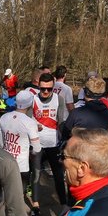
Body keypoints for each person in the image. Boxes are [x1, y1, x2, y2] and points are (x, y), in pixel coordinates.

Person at [0, 90, 41, 216]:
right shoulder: (30, 123)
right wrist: (31, 154)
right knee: (18, 196)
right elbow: (37, 148)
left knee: (5, 193)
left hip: (6, 162)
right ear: (30, 104)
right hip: (22, 166)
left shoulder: (4, 118)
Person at [32, 73, 69, 205]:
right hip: (37, 144)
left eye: (49, 89)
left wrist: (66, 138)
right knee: (36, 175)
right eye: (43, 89)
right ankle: (35, 204)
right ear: (39, 86)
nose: (46, 92)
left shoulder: (59, 99)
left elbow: (61, 121)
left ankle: (63, 205)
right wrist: (34, 126)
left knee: (58, 175)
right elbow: (27, 121)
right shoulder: (33, 99)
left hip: (54, 144)